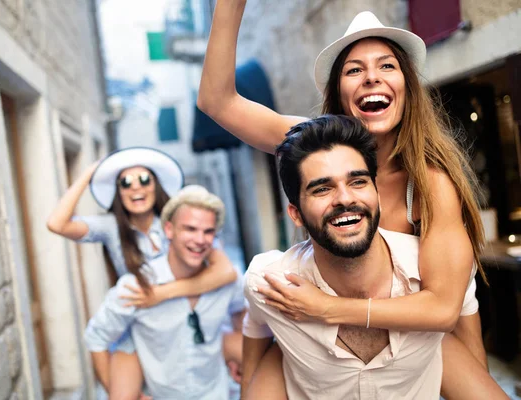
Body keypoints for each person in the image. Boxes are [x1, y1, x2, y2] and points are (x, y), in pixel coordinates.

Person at [198, 4, 492, 398]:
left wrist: (326, 308)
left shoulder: (430, 182)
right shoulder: (312, 143)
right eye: (355, 70)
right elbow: (217, 101)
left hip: (421, 333)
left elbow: (447, 310)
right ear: (338, 90)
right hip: (320, 343)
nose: (372, 77)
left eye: (387, 66)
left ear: (406, 84)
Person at [241, 115, 506, 399]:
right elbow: (255, 327)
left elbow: (469, 347)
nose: (344, 198)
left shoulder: (432, 274)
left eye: (357, 182)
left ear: (377, 192)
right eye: (322, 188)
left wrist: (327, 308)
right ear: (296, 214)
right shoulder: (272, 282)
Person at [46, 148, 238, 397]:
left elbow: (226, 272)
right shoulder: (111, 227)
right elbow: (56, 223)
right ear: (118, 192)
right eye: (125, 182)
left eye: (144, 180)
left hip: (176, 315)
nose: (136, 188)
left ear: (155, 185)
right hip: (137, 325)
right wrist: (89, 173)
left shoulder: (180, 225)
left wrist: (161, 293)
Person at [84, 185, 246, 400]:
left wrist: (238, 359)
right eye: (190, 229)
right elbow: (97, 337)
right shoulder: (137, 286)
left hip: (216, 392)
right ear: (169, 230)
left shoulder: (227, 281)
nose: (199, 240)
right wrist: (113, 389)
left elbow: (240, 312)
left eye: (208, 231)